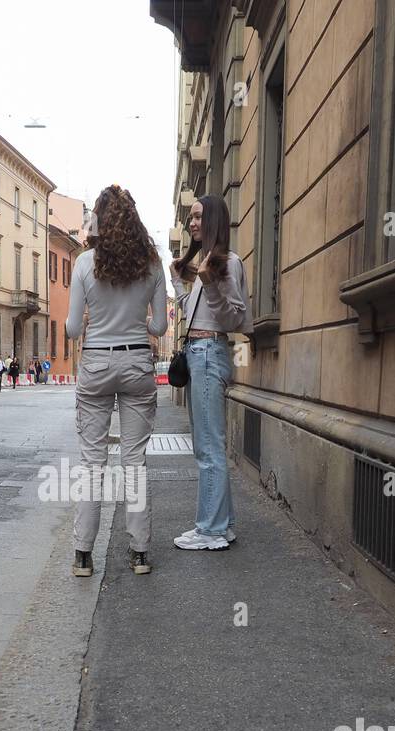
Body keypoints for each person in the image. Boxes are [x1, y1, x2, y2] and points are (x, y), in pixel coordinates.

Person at [66, 184, 168, 577]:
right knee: (134, 463)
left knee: (93, 463)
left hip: (95, 365)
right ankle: (140, 554)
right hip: (137, 365)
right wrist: (136, 320)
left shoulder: (83, 263)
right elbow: (159, 325)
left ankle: (82, 555)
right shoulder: (152, 264)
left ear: (98, 220)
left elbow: (73, 330)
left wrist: (96, 317)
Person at [169, 194, 252, 551]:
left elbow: (236, 317)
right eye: (190, 218)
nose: (192, 223)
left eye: (199, 217)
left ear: (214, 219)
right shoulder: (208, 264)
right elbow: (192, 312)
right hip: (199, 352)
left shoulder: (227, 264)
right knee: (209, 445)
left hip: (209, 353)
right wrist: (178, 283)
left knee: (208, 447)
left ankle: (211, 530)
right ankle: (223, 524)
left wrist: (212, 284)